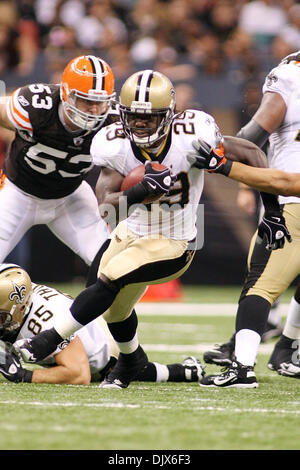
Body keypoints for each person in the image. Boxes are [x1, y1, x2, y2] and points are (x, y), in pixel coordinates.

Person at [13, 69, 283, 390]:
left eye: (149, 118)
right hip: (131, 231)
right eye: (134, 117)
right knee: (114, 308)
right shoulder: (113, 143)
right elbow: (107, 206)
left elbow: (252, 152)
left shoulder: (192, 135)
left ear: (168, 116)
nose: (140, 124)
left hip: (174, 240)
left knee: (110, 276)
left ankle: (49, 338)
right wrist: (139, 191)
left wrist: (273, 210)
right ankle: (131, 362)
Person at [186, 52, 300, 387]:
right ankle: (289, 349)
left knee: (259, 285)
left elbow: (252, 138)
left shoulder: (290, 75)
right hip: (290, 189)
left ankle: (242, 366)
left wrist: (220, 156)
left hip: (290, 198)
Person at [0, 54, 115, 270]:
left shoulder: (113, 122)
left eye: (100, 102)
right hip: (17, 193)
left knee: (111, 266)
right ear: (65, 94)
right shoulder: (37, 107)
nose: (93, 110)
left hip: (70, 197)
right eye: (86, 100)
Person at [0, 263, 204, 385]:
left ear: (19, 307)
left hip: (103, 352)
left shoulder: (43, 320)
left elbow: (79, 374)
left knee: (134, 371)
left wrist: (25, 376)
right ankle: (185, 371)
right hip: (88, 327)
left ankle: (184, 371)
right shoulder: (17, 293)